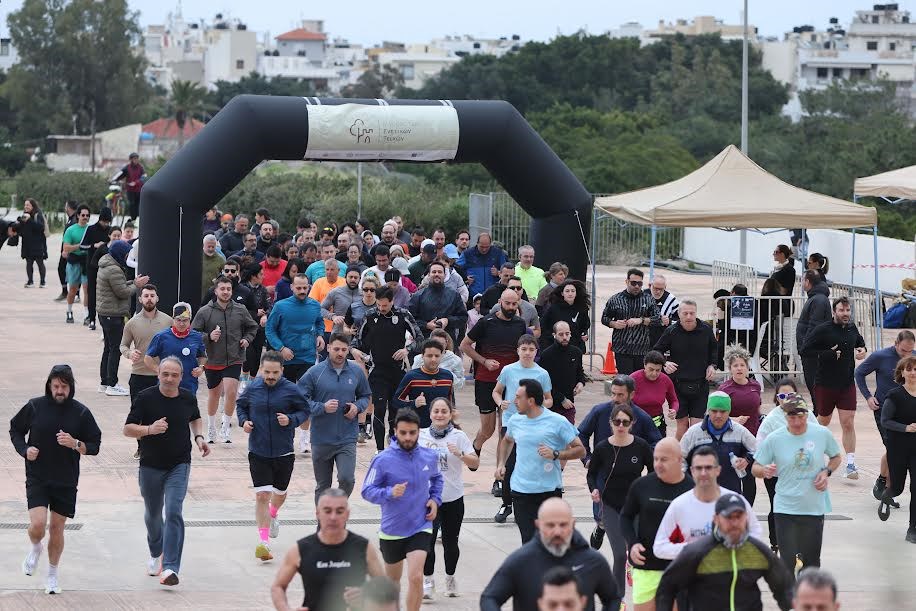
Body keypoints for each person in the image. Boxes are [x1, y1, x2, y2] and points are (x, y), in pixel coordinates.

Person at [9, 364, 102, 595]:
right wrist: (25, 450)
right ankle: (35, 547)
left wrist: (75, 444)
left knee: (57, 528)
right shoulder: (35, 406)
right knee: (38, 525)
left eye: (64, 387)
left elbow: (95, 444)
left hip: (66, 479)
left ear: (71, 387)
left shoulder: (81, 412)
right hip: (38, 476)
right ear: (49, 386)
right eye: (56, 386)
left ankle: (52, 574)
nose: (60, 391)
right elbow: (15, 429)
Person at [122, 357, 211, 586]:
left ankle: (170, 567)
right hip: (150, 465)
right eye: (165, 374)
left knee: (173, 511)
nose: (169, 379)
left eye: (174, 375)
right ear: (158, 374)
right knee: (153, 514)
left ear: (181, 377)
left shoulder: (188, 397)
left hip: (179, 464)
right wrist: (150, 429)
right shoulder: (145, 398)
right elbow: (128, 429)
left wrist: (199, 437)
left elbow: (195, 418)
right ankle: (156, 552)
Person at [361, 409, 443, 611]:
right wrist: (389, 492)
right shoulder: (382, 460)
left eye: (412, 432)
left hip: (420, 525)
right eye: (403, 432)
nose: (408, 437)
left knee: (416, 577)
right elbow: (367, 490)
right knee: (393, 584)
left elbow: (437, 479)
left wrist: (435, 499)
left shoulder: (429, 456)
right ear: (395, 431)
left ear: (418, 432)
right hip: (392, 530)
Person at [654, 493, 792, 611]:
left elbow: (784, 588)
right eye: (729, 517)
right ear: (716, 519)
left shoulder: (758, 550)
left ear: (746, 518)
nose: (734, 522)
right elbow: (667, 587)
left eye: (739, 516)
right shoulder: (697, 551)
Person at [752, 396, 842, 575]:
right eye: (792, 417)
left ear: (807, 415)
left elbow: (836, 457)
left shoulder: (821, 434)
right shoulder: (775, 438)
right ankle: (790, 592)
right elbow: (755, 467)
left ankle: (807, 591)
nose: (797, 422)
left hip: (813, 507)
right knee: (787, 561)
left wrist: (826, 472)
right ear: (785, 416)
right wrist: (764, 471)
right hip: (785, 507)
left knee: (811, 562)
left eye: (801, 417)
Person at [480, 497, 621, 611]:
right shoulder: (520, 561)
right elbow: (490, 598)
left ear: (572, 524)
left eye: (563, 525)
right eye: (550, 525)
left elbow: (613, 598)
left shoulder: (593, 561)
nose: (557, 531)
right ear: (538, 525)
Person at [236, 351, 309, 561]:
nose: (270, 376)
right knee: (262, 495)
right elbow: (241, 406)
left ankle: (273, 512)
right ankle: (264, 542)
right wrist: (244, 421)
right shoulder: (253, 388)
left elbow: (304, 411)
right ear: (261, 369)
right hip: (257, 450)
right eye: (267, 372)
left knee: (280, 493)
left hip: (283, 451)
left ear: (282, 371)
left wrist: (291, 420)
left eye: (275, 372)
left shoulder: (291, 389)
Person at [497, 379, 585, 542]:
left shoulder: (557, 421)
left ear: (530, 401)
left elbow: (580, 450)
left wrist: (556, 454)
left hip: (549, 491)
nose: (514, 401)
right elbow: (507, 440)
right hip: (521, 491)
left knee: (550, 542)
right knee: (528, 541)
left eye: (518, 397)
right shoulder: (515, 420)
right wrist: (501, 464)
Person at [270, 489, 385, 611]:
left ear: (347, 514)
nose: (333, 517)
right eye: (327, 511)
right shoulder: (301, 549)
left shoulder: (363, 547)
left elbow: (384, 587)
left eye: (339, 511)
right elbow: (278, 587)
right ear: (318, 513)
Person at [460, 288, 527, 482]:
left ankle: (499, 478)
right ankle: (477, 444)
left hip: (510, 384)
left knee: (504, 431)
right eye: (507, 303)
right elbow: (464, 345)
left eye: (514, 304)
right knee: (488, 429)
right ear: (500, 302)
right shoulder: (486, 322)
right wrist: (484, 361)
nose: (511, 307)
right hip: (487, 381)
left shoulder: (520, 324)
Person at [620, 438, 695, 611]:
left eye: (664, 459)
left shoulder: (692, 489)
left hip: (679, 566)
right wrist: (632, 543)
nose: (658, 464)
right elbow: (625, 517)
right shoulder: (642, 485)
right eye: (656, 459)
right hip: (646, 565)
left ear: (679, 460)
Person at [587, 402, 654, 595]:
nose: (621, 426)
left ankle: (634, 571)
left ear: (632, 423)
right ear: (611, 423)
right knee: (619, 554)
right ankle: (618, 599)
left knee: (636, 550)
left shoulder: (641, 446)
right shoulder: (602, 448)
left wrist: (648, 490)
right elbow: (592, 474)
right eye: (617, 422)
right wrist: (594, 489)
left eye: (625, 422)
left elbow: (652, 470)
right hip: (610, 505)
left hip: (635, 505)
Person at [654, 446, 762, 561]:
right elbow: (659, 547)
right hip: (692, 570)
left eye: (708, 468)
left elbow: (757, 535)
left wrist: (733, 547)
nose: (703, 473)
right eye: (699, 468)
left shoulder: (736, 501)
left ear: (718, 470)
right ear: (692, 471)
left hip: (729, 570)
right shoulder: (679, 505)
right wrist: (695, 549)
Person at [299, 334, 372, 501]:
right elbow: (300, 399)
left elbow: (365, 396)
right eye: (336, 349)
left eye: (344, 350)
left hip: (347, 437)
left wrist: (357, 407)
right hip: (321, 438)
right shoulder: (315, 372)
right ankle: (323, 518)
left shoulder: (356, 371)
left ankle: (337, 510)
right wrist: (321, 407)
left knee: (347, 479)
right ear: (328, 348)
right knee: (323, 485)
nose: (340, 353)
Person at [800, 296, 867, 479]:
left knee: (848, 422)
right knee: (823, 421)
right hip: (825, 383)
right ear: (834, 311)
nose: (845, 314)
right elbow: (805, 350)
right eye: (841, 310)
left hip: (846, 383)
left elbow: (859, 342)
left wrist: (862, 350)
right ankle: (810, 455)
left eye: (848, 310)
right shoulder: (823, 330)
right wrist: (827, 354)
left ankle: (851, 464)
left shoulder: (852, 328)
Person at [419, 398, 479, 599]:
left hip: (453, 498)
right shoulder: (421, 435)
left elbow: (475, 463)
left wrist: (460, 454)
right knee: (427, 542)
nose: (439, 415)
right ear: (430, 414)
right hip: (428, 500)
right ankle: (428, 582)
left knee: (450, 543)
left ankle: (450, 578)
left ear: (450, 414)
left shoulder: (459, 436)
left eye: (444, 411)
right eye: (436, 411)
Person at [352, 285, 424, 453]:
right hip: (377, 371)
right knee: (379, 409)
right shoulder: (370, 315)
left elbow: (420, 338)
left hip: (398, 371)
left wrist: (407, 349)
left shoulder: (403, 315)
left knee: (395, 409)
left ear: (392, 301)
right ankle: (379, 450)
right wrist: (354, 350)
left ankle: (393, 444)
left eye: (385, 305)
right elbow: (356, 340)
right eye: (379, 305)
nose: (381, 308)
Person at [492, 335, 554, 521]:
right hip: (511, 421)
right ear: (518, 350)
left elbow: (549, 399)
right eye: (524, 349)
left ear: (536, 352)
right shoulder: (508, 370)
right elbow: (496, 391)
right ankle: (506, 503)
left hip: (533, 424)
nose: (527, 353)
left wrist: (538, 407)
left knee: (532, 462)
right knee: (509, 463)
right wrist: (500, 402)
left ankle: (532, 503)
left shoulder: (542, 374)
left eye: (531, 349)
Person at [756, 381, 821, 554]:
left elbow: (818, 438)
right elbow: (760, 445)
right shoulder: (771, 419)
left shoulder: (807, 415)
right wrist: (766, 465)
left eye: (790, 395)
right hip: (777, 475)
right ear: (777, 398)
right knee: (777, 508)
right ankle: (776, 543)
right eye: (782, 396)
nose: (786, 399)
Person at [193, 275, 259, 444]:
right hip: (213, 359)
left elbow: (253, 326)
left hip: (234, 358)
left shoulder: (240, 309)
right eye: (222, 289)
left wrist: (247, 339)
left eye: (228, 289)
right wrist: (209, 336)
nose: (225, 292)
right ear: (215, 291)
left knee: (231, 391)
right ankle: (211, 427)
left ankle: (226, 427)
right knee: (214, 394)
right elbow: (193, 334)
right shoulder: (205, 311)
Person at [855, 330, 916, 501]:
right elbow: (859, 373)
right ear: (896, 344)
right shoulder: (880, 356)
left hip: (908, 411)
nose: (907, 354)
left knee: (898, 450)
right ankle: (884, 483)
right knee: (892, 448)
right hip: (884, 409)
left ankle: (887, 487)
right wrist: (868, 396)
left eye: (910, 350)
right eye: (903, 350)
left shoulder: (913, 359)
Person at [652, 298, 718, 439]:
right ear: (679, 314)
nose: (688, 317)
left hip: (700, 383)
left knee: (696, 427)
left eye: (692, 313)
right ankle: (678, 452)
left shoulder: (705, 329)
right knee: (682, 425)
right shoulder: (672, 331)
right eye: (685, 313)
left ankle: (693, 453)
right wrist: (665, 363)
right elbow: (657, 350)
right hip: (678, 385)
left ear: (696, 313)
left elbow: (714, 349)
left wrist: (712, 365)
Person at [680, 391, 757, 503]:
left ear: (729, 411)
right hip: (699, 496)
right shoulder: (694, 433)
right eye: (714, 411)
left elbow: (759, 450)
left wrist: (747, 459)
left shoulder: (740, 431)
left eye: (723, 411)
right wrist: (686, 483)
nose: (718, 415)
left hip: (730, 495)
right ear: (708, 411)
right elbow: (679, 458)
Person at [95, 240, 150, 396]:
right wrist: (137, 285)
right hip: (112, 315)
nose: (127, 257)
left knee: (108, 348)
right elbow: (123, 292)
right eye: (125, 254)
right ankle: (112, 384)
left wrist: (133, 282)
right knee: (115, 350)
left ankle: (105, 383)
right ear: (119, 254)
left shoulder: (107, 265)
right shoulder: (114, 269)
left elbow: (119, 285)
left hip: (105, 313)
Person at [877, 355, 916, 541]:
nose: (913, 373)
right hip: (898, 447)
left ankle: (912, 529)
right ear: (902, 372)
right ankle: (887, 494)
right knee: (898, 488)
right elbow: (885, 421)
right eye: (909, 369)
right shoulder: (895, 395)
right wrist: (905, 428)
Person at [600, 268, 660, 375]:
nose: (636, 286)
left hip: (641, 348)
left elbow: (657, 319)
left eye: (639, 283)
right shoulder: (615, 299)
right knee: (625, 380)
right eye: (633, 283)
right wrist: (614, 324)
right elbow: (604, 318)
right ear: (627, 281)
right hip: (622, 348)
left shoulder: (648, 299)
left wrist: (641, 320)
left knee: (639, 380)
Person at [145, 303, 208, 395]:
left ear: (190, 320)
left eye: (185, 320)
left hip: (189, 385)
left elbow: (203, 356)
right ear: (173, 319)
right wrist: (159, 370)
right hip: (166, 385)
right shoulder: (161, 336)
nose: (181, 324)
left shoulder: (197, 337)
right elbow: (147, 358)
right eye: (178, 320)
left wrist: (201, 367)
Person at [392, 339, 455, 428]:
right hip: (419, 429)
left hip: (442, 428)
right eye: (429, 356)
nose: (433, 359)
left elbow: (450, 401)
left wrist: (452, 414)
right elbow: (396, 402)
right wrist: (414, 403)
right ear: (422, 356)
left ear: (442, 356)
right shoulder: (411, 376)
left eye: (437, 356)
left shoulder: (448, 376)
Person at [796, 270, 832, 411]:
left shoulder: (818, 300)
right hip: (811, 350)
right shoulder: (816, 298)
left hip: (812, 351)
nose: (801, 283)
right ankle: (818, 410)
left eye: (802, 280)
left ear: (807, 282)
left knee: (814, 382)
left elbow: (815, 326)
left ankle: (820, 412)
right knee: (812, 383)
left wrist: (806, 346)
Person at [539, 321, 587, 425]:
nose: (565, 337)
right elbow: (544, 383)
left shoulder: (576, 352)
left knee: (568, 432)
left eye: (567, 334)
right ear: (554, 335)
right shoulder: (546, 355)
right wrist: (561, 399)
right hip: (550, 406)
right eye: (561, 334)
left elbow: (579, 371)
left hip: (569, 405)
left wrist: (581, 383)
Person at [408, 260, 468, 341]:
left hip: (448, 340)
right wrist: (426, 325)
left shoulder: (454, 295)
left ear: (445, 275)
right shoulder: (418, 295)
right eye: (434, 272)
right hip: (424, 341)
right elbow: (409, 320)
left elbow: (463, 318)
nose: (437, 274)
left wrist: (448, 321)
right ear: (428, 275)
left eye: (440, 272)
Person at [631, 350, 678, 437]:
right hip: (636, 423)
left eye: (658, 370)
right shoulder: (633, 379)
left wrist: (674, 410)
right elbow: (622, 401)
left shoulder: (666, 380)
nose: (654, 373)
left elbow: (674, 400)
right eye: (651, 369)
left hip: (657, 424)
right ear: (644, 365)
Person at [79, 206, 112, 328]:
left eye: (107, 222)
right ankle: (91, 318)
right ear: (100, 219)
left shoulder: (110, 230)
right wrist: (94, 245)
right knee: (91, 292)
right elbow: (82, 245)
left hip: (107, 266)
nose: (105, 224)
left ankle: (105, 319)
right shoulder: (91, 229)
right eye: (104, 221)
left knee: (106, 293)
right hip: (92, 266)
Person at [539, 280, 590, 353]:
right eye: (567, 291)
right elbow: (543, 325)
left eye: (573, 291)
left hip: (575, 346)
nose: (570, 293)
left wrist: (584, 334)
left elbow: (585, 325)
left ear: (576, 293)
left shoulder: (582, 308)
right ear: (562, 293)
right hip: (556, 346)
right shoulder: (554, 308)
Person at [455, 231, 507, 299]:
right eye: (481, 247)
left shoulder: (498, 253)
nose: (484, 249)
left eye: (487, 247)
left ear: (490, 244)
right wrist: (465, 278)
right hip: (473, 296)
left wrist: (498, 273)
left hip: (494, 295)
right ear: (477, 243)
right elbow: (455, 268)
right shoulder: (467, 254)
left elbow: (507, 270)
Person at [62, 204, 91, 324]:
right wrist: (79, 246)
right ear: (78, 215)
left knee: (87, 289)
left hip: (86, 262)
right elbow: (66, 248)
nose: (85, 217)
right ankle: (69, 311)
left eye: (87, 215)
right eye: (83, 215)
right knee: (73, 289)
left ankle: (87, 314)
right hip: (73, 262)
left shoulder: (90, 229)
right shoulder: (71, 230)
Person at [19, 198, 48, 288]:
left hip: (37, 244)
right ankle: (30, 281)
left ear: (33, 206)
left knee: (40, 263)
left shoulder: (38, 215)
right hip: (27, 244)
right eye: (25, 205)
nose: (26, 207)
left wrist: (29, 220)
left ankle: (42, 282)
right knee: (29, 263)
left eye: (28, 205)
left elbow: (40, 228)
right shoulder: (25, 215)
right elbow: (22, 229)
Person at [322, 267, 361, 334]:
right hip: (338, 334)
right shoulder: (336, 292)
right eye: (350, 277)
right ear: (345, 277)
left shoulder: (365, 294)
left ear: (360, 279)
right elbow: (321, 309)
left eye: (355, 277)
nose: (353, 280)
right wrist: (333, 317)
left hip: (358, 335)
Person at [53, 200, 78, 301]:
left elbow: (74, 237)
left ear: (69, 207)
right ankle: (65, 291)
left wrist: (68, 250)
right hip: (65, 250)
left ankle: (75, 294)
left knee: (73, 271)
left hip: (70, 251)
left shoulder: (74, 220)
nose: (65, 208)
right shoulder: (70, 219)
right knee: (62, 269)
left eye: (66, 206)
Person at [646, 274, 679, 347]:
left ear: (665, 287)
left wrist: (669, 321)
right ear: (650, 285)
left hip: (661, 342)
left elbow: (680, 320)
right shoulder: (641, 296)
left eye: (661, 289)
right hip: (641, 341)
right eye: (655, 288)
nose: (658, 291)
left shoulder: (671, 299)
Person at [116, 152, 145, 220]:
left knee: (138, 205)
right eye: (134, 158)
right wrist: (114, 179)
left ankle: (136, 218)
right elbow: (120, 175)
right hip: (130, 190)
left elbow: (143, 177)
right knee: (131, 204)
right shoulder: (127, 168)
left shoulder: (140, 167)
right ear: (131, 159)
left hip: (139, 189)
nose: (136, 160)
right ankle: (133, 219)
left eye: (137, 158)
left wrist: (136, 182)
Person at [200, 234, 226, 301]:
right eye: (209, 247)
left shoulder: (220, 259)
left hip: (213, 294)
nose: (211, 249)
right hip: (198, 292)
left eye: (213, 247)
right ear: (203, 245)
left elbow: (225, 275)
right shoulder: (197, 256)